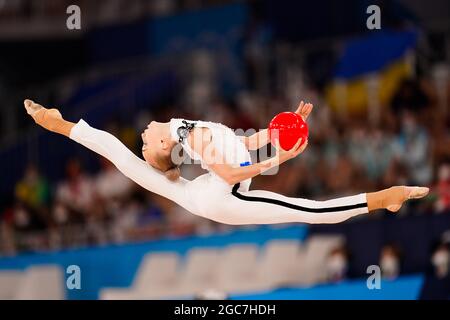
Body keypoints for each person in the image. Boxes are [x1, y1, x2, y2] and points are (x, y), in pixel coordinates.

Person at [23, 99, 429, 225]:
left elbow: (241, 144)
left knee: (117, 154)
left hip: (204, 191)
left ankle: (58, 123)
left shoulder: (183, 131)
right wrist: (280, 154)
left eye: (143, 145)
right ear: (162, 147)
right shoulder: (189, 137)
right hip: (222, 197)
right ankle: (385, 198)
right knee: (309, 211)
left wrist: (281, 130)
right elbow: (233, 170)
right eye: (146, 147)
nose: (142, 141)